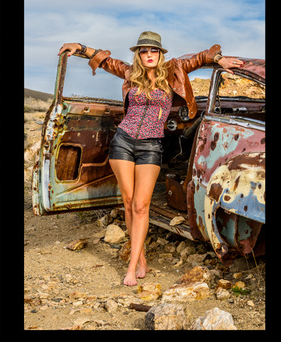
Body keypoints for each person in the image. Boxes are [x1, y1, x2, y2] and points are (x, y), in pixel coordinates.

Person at [59, 31, 243, 286]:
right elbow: (104, 60)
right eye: (143, 51)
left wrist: (219, 59)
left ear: (160, 54)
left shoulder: (173, 70)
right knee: (128, 201)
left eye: (153, 50)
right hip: (123, 141)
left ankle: (131, 267)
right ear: (138, 54)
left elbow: (201, 57)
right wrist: (79, 47)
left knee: (141, 206)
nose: (148, 55)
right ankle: (139, 258)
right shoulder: (129, 73)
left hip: (150, 146)